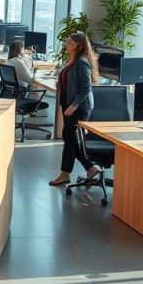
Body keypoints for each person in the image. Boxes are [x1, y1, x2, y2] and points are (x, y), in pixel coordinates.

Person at [49, 32, 100, 186]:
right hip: (68, 105)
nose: (67, 44)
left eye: (70, 43)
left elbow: (86, 88)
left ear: (79, 46)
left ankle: (65, 174)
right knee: (69, 138)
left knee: (69, 140)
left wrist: (74, 105)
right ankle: (90, 168)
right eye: (67, 42)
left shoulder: (82, 63)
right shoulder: (72, 61)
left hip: (78, 107)